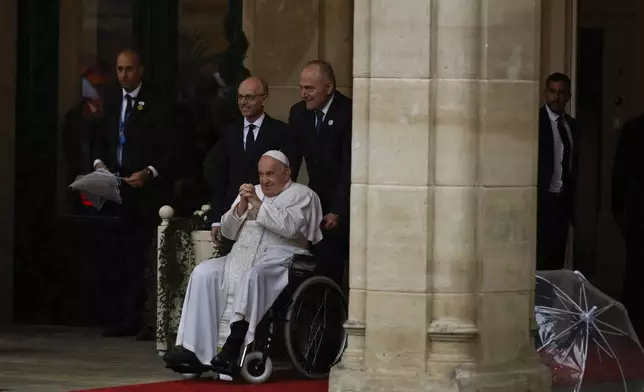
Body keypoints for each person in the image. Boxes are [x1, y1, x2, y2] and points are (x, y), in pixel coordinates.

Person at [163, 151, 323, 375]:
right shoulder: (252, 191)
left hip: (279, 260)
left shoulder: (303, 195)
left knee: (252, 276)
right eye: (261, 174)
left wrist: (258, 205)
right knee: (203, 272)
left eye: (270, 174)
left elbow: (290, 228)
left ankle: (232, 346)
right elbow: (228, 232)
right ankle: (193, 350)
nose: (264, 180)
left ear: (286, 173)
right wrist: (240, 208)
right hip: (238, 257)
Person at [92, 49, 178, 338]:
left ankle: (145, 320)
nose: (124, 75)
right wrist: (99, 164)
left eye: (129, 69)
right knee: (117, 257)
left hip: (145, 192)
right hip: (114, 190)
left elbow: (173, 147)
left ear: (140, 70)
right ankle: (120, 317)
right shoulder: (111, 99)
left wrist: (149, 171)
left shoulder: (158, 102)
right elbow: (98, 138)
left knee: (143, 257)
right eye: (119, 69)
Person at [207, 76, 293, 247]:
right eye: (240, 97)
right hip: (233, 216)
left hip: (266, 218)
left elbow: (286, 179)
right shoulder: (228, 130)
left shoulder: (281, 132)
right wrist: (216, 219)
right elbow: (219, 177)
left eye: (250, 97)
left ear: (264, 99)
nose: (243, 102)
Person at [288, 60, 351, 287]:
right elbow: (292, 162)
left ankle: (330, 319)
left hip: (342, 204)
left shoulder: (348, 113)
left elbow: (349, 168)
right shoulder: (298, 114)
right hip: (314, 201)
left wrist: (337, 210)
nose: (304, 94)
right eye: (301, 88)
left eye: (310, 88)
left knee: (332, 268)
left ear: (328, 87)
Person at [537, 72, 580, 271]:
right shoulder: (536, 122)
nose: (556, 97)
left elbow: (574, 165)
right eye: (552, 92)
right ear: (546, 93)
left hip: (561, 205)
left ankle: (552, 302)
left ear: (568, 96)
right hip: (540, 204)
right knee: (539, 262)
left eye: (561, 93)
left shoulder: (572, 126)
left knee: (557, 262)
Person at [612, 111, 644, 339]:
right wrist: (619, 211)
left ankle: (631, 324)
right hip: (637, 213)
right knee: (635, 269)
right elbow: (621, 174)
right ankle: (632, 323)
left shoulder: (632, 128)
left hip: (633, 213)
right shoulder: (633, 129)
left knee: (634, 269)